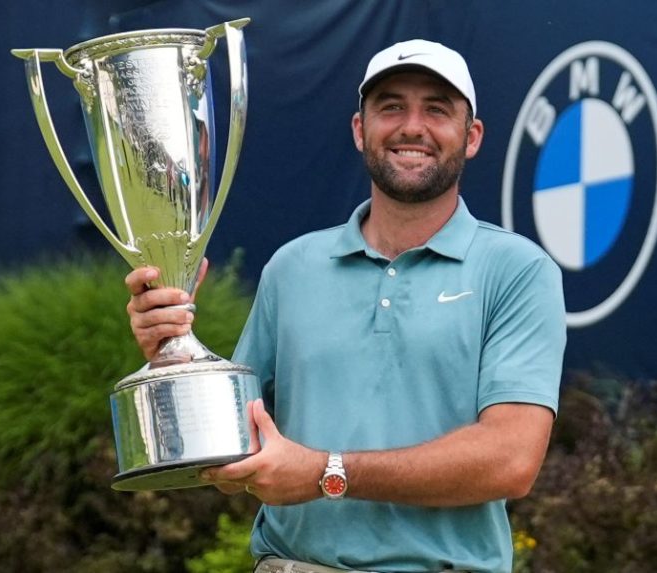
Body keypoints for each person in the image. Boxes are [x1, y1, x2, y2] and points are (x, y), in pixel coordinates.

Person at [126, 39, 566, 573]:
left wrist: (326, 472)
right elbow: (237, 442)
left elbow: (510, 461)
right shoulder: (292, 268)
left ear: (471, 138)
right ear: (361, 130)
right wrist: (172, 355)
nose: (412, 127)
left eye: (436, 109)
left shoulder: (517, 270)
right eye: (391, 106)